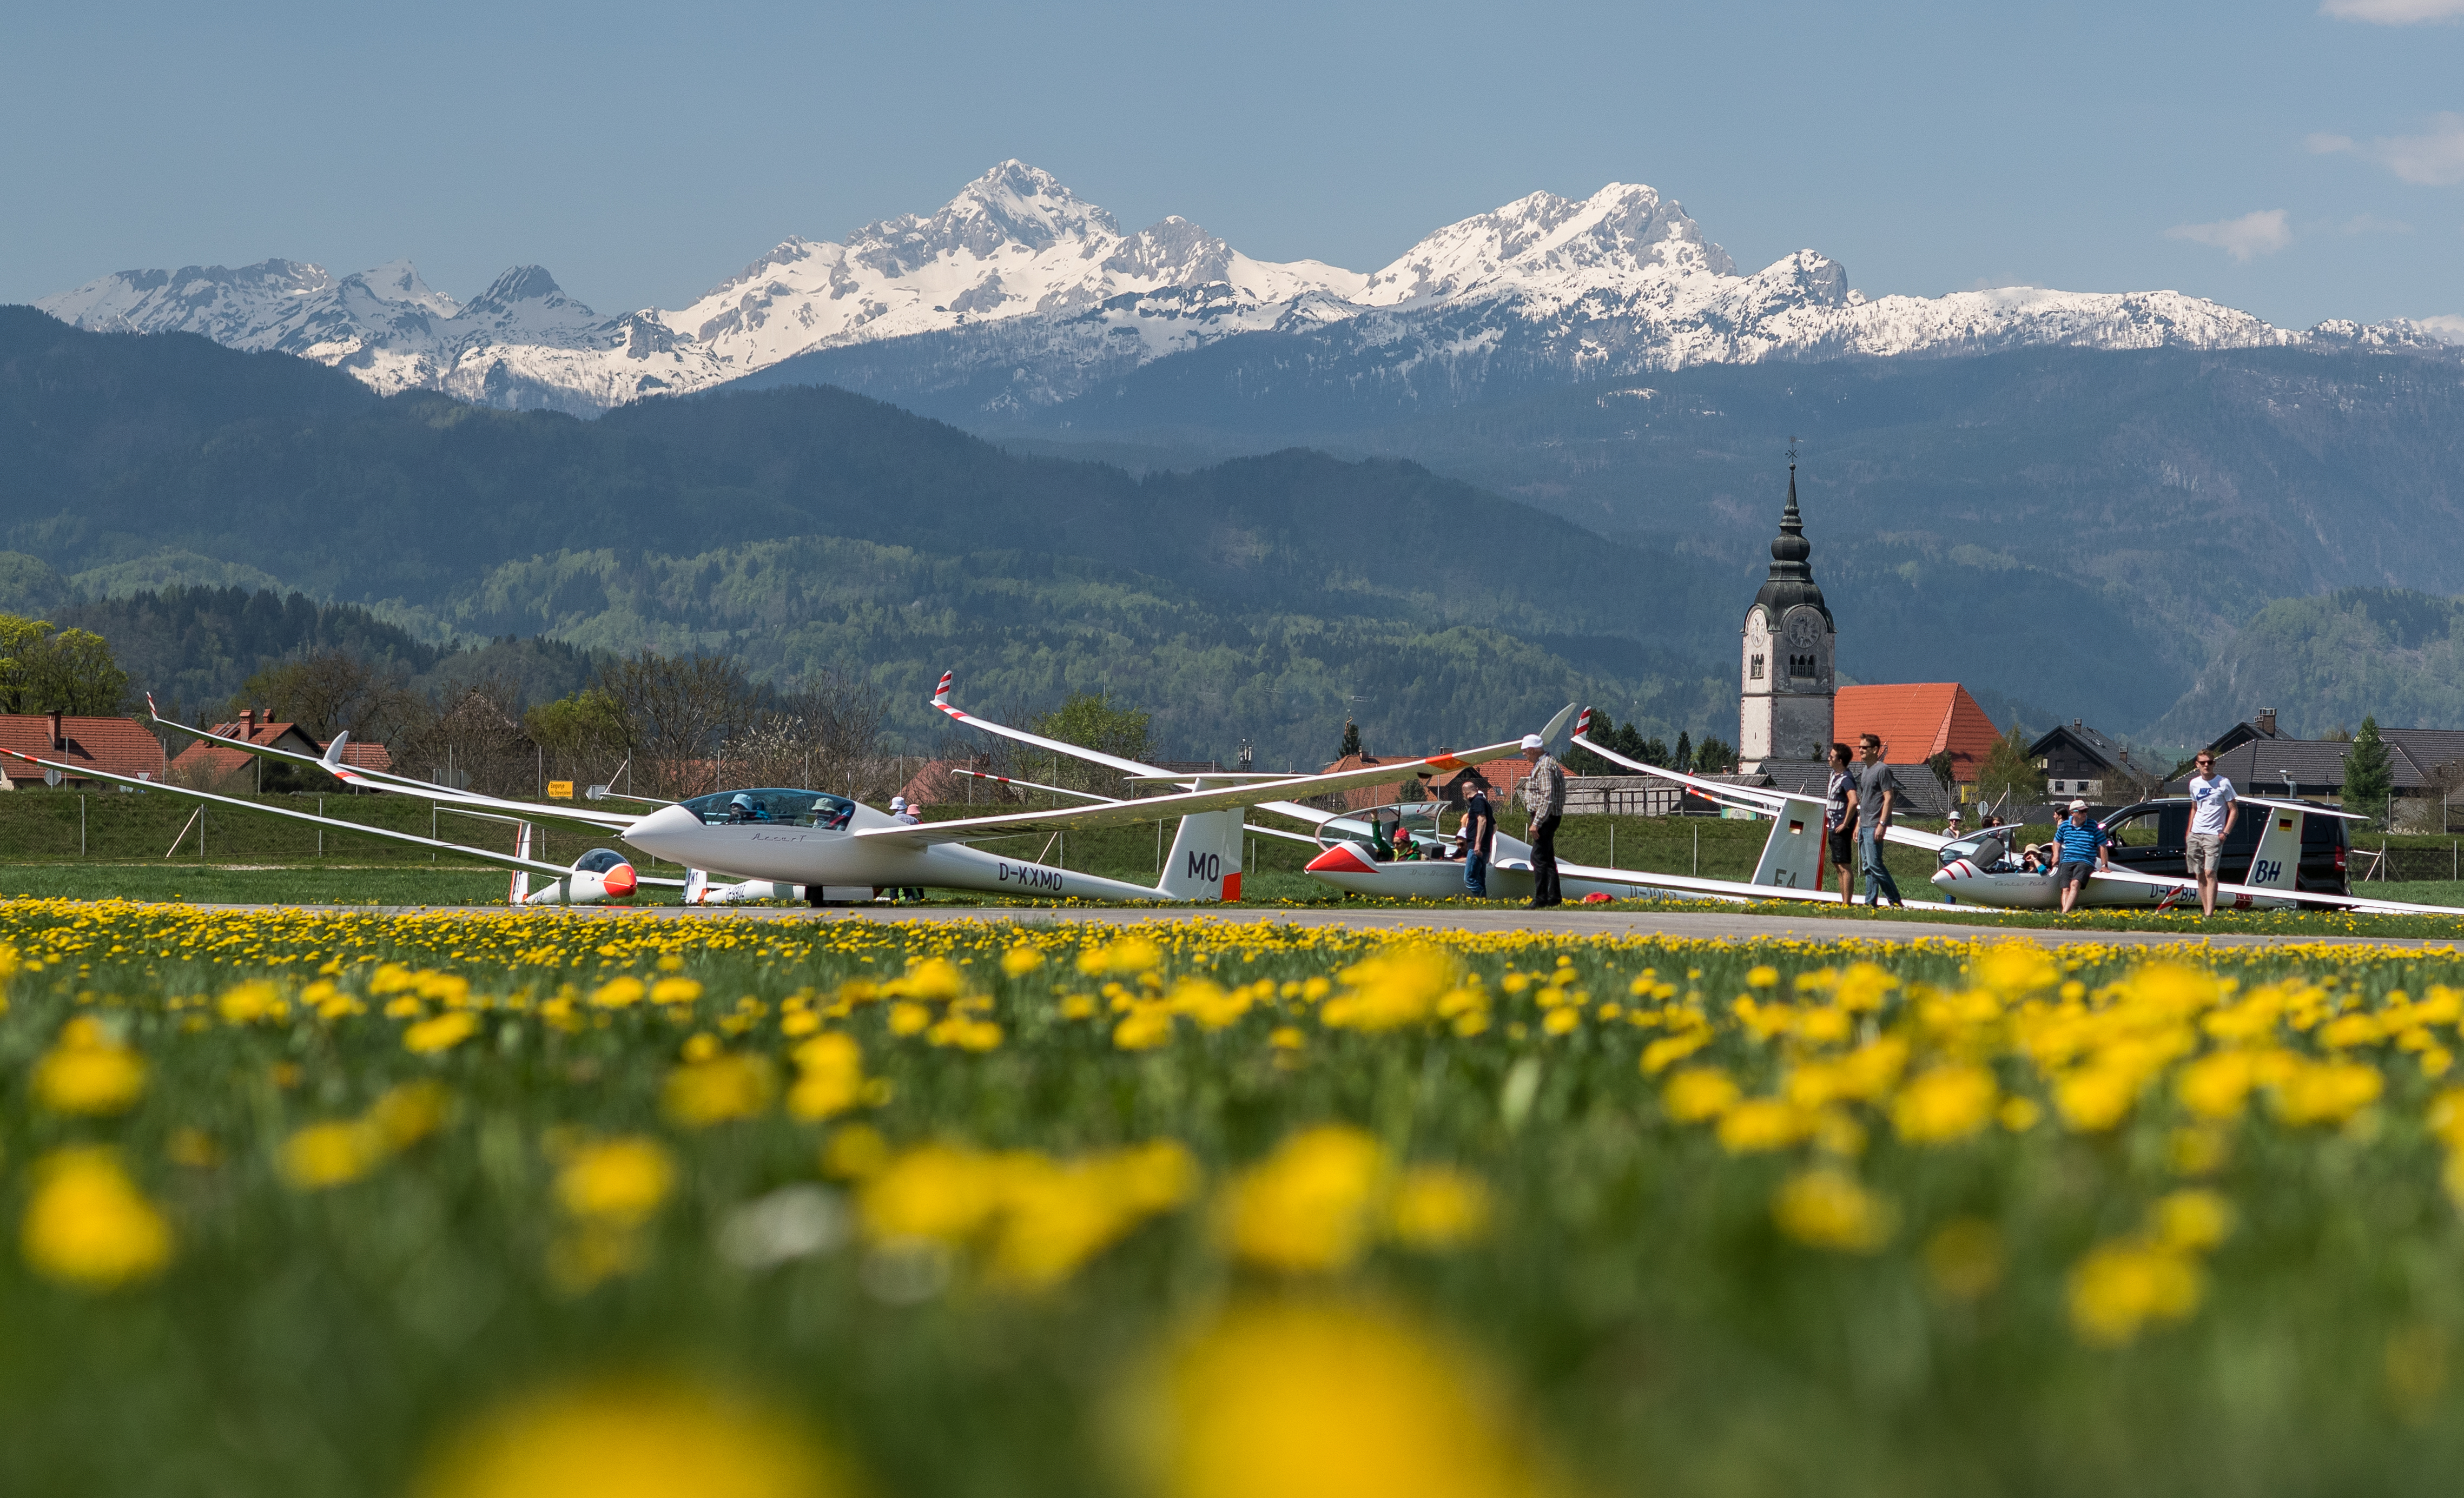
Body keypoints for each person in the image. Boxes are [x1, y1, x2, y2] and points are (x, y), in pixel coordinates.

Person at [1851, 733, 1905, 907]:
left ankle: (1895, 901)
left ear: (1875, 750)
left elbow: (1889, 798)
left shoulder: (1882, 770)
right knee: (1868, 866)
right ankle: (1870, 902)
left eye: (1865, 747)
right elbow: (1865, 799)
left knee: (1875, 865)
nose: (1861, 750)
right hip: (1864, 824)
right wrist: (1858, 824)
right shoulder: (1866, 770)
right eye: (1860, 747)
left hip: (1875, 825)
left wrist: (1882, 825)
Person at [2185, 750, 2238, 917]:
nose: (2206, 765)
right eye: (2203, 763)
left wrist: (2225, 833)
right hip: (2196, 833)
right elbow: (2195, 808)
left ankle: (2210, 913)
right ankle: (2205, 909)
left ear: (2214, 763)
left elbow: (2234, 810)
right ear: (2197, 765)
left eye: (2210, 762)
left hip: (2214, 834)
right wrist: (2189, 832)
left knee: (2210, 872)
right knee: (2199, 873)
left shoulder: (2223, 783)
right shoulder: (2194, 784)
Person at [1520, 733, 1564, 909]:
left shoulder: (1544, 767)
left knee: (1537, 857)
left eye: (1525, 751)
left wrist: (1536, 822)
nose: (1524, 755)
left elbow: (1548, 796)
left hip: (1545, 817)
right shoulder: (1549, 763)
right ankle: (1554, 897)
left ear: (1533, 750)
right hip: (1550, 816)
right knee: (1547, 858)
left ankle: (1541, 898)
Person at [2053, 799, 2113, 915]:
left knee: (2075, 883)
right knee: (2065, 888)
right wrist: (2056, 856)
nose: (2084, 814)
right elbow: (2057, 841)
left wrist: (2104, 865)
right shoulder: (2065, 826)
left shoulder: (2092, 825)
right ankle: (2065, 913)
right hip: (2067, 860)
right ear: (2072, 813)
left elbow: (2102, 845)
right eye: (2081, 811)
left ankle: (2064, 914)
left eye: (2085, 811)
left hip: (2085, 860)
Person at [1822, 742, 1855, 899]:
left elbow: (1854, 801)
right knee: (1837, 864)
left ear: (1840, 760)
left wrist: (1846, 824)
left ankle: (1847, 902)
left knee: (1844, 865)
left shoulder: (1846, 779)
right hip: (1833, 825)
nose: (1829, 759)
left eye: (1832, 756)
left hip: (1841, 826)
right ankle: (1843, 899)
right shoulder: (1833, 775)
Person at [1459, 777, 1496, 897]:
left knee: (1469, 879)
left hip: (1476, 847)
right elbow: (1495, 826)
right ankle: (1483, 904)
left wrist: (1478, 844)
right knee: (1479, 878)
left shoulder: (1477, 802)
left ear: (1465, 793)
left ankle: (1482, 899)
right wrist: (1487, 843)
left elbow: (1482, 820)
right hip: (1484, 847)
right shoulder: (1485, 803)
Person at [891, 796, 925, 903]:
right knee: (907, 878)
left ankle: (894, 900)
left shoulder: (891, 820)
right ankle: (911, 897)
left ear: (894, 809)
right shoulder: (914, 820)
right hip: (909, 851)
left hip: (896, 852)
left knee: (894, 880)